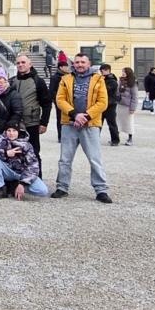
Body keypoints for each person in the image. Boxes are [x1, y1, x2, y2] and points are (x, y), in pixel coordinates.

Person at [52, 53, 112, 203]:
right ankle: (62, 187)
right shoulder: (65, 79)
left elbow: (103, 102)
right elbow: (60, 99)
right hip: (69, 123)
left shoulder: (98, 79)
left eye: (82, 62)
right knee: (65, 159)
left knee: (94, 158)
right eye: (77, 62)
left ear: (88, 64)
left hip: (90, 124)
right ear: (73, 64)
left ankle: (101, 190)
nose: (79, 64)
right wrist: (74, 114)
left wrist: (86, 116)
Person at [0, 124, 50, 200]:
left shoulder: (27, 145)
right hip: (7, 171)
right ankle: (0, 189)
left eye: (14, 131)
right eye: (9, 130)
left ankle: (14, 187)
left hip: (21, 174)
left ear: (19, 132)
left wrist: (23, 183)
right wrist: (5, 154)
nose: (11, 133)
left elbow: (33, 167)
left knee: (43, 191)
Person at [11, 54, 53, 159]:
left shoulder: (38, 81)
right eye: (18, 63)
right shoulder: (12, 81)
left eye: (23, 62)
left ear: (30, 64)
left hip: (31, 123)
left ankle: (36, 170)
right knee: (15, 153)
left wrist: (44, 123)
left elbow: (47, 104)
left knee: (33, 153)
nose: (20, 65)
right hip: (14, 123)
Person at [113, 67, 139, 146]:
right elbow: (117, 91)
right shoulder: (120, 81)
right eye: (122, 72)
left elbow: (135, 97)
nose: (123, 73)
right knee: (117, 122)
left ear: (128, 73)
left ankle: (130, 138)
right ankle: (116, 138)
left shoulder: (133, 83)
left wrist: (132, 108)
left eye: (124, 72)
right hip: (120, 104)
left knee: (129, 123)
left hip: (127, 106)